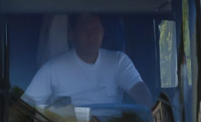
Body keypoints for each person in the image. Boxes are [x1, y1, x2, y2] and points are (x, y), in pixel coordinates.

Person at [23, 13, 152, 109]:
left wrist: (150, 109)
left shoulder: (118, 61)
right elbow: (26, 105)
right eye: (85, 30)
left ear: (102, 32)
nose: (91, 35)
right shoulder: (52, 68)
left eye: (95, 29)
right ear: (71, 34)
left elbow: (139, 90)